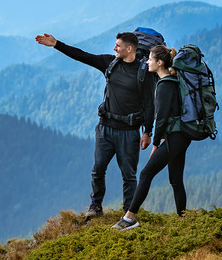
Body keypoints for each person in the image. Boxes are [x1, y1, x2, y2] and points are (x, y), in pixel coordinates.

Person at [35, 32, 154, 217]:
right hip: (105, 128)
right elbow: (83, 56)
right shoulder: (110, 63)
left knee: (128, 175)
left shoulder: (143, 73)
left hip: (129, 132)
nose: (114, 48)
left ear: (129, 49)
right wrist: (56, 44)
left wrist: (147, 131)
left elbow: (149, 104)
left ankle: (128, 213)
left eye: (118, 46)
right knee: (98, 169)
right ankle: (95, 206)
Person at [112, 44, 191, 230]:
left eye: (150, 59)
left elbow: (161, 118)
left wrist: (155, 144)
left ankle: (130, 218)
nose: (147, 62)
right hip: (181, 135)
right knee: (176, 179)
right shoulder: (172, 81)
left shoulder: (164, 85)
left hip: (175, 137)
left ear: (160, 62)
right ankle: (184, 220)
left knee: (146, 173)